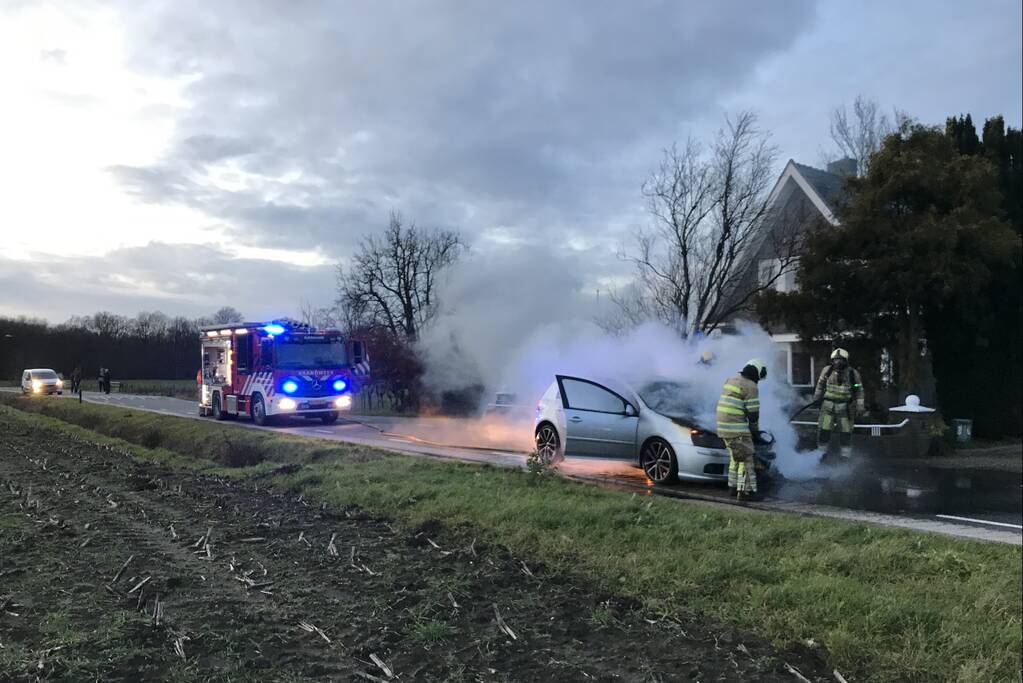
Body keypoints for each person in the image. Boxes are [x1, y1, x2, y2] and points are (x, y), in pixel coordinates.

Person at [716, 358, 768, 502]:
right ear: (756, 372)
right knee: (747, 458)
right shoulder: (751, 386)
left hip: (723, 427)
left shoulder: (731, 380)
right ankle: (746, 493)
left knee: (735, 458)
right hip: (736, 428)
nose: (759, 380)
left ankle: (733, 488)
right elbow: (753, 415)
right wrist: (755, 433)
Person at [813, 348, 864, 458]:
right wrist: (816, 399)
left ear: (846, 361)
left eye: (841, 360)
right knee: (824, 431)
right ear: (832, 361)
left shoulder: (852, 373)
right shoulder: (827, 371)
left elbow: (859, 390)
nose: (838, 362)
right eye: (836, 360)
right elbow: (820, 386)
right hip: (828, 407)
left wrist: (860, 406)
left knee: (846, 432)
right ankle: (821, 455)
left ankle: (845, 457)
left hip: (845, 409)